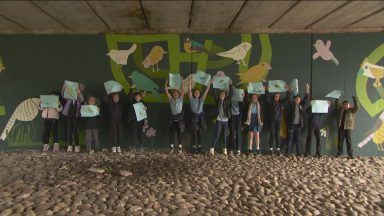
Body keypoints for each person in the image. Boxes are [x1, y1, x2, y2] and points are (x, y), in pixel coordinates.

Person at [263, 85, 291, 155]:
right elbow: (267, 98)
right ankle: (271, 150)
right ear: (274, 96)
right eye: (276, 96)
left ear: (279, 97)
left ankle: (278, 150)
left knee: (277, 135)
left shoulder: (281, 103)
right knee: (272, 134)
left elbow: (287, 99)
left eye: (278, 96)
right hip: (272, 121)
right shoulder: (271, 102)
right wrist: (267, 90)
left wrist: (288, 91)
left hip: (279, 121)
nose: (277, 97)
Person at [285, 84, 310, 156]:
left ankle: (298, 153)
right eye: (296, 99)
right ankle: (287, 153)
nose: (297, 100)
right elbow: (288, 98)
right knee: (289, 140)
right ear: (294, 100)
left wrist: (307, 90)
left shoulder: (301, 105)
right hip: (291, 125)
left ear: (300, 100)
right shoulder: (291, 105)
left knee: (297, 140)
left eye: (299, 99)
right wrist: (288, 90)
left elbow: (306, 98)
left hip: (298, 125)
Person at [188, 78, 212, 154]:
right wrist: (190, 82)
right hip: (194, 119)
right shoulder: (191, 99)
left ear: (199, 94)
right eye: (195, 92)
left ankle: (200, 148)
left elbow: (206, 91)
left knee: (200, 134)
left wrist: (209, 83)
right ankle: (194, 148)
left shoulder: (201, 99)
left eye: (198, 92)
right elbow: (189, 91)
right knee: (194, 134)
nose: (197, 93)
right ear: (194, 93)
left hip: (200, 119)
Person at [210, 82, 233, 155]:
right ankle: (212, 148)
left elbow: (231, 94)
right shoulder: (218, 101)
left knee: (224, 134)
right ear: (219, 95)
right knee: (217, 134)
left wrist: (230, 85)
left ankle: (224, 149)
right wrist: (212, 84)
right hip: (219, 120)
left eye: (223, 94)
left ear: (225, 95)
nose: (222, 95)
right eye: (221, 94)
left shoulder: (227, 101)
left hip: (226, 120)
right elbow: (214, 93)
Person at [62, 83, 85, 153]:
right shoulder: (69, 98)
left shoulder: (79, 98)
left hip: (76, 117)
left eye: (77, 89)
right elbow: (63, 95)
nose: (75, 91)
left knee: (75, 131)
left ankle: (77, 146)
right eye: (74, 90)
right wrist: (63, 88)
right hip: (69, 116)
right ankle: (70, 146)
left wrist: (79, 92)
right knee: (69, 131)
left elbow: (83, 100)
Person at [165, 78, 185, 153]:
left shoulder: (180, 99)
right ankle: (172, 148)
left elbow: (182, 91)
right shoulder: (171, 100)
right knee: (172, 134)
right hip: (173, 120)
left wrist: (182, 82)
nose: (176, 94)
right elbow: (166, 90)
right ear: (173, 94)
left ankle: (180, 148)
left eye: (177, 93)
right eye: (174, 93)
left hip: (179, 120)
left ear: (178, 94)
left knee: (180, 134)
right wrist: (166, 83)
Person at [128, 85, 147, 151]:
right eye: (136, 96)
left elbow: (144, 113)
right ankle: (133, 146)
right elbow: (129, 97)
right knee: (134, 133)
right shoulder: (132, 102)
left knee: (140, 134)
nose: (137, 97)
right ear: (134, 97)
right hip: (133, 120)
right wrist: (131, 89)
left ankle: (141, 146)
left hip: (141, 121)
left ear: (140, 97)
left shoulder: (142, 103)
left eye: (139, 96)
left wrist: (145, 109)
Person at [229, 87, 244, 155]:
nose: (234, 92)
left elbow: (243, 106)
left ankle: (238, 149)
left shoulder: (239, 99)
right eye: (233, 91)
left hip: (238, 117)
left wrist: (242, 98)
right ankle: (232, 149)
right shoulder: (230, 98)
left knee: (238, 133)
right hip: (231, 117)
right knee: (232, 133)